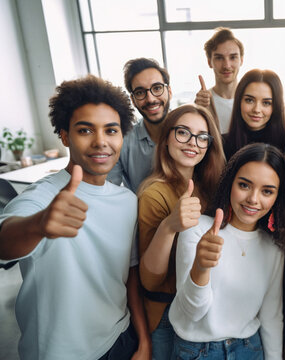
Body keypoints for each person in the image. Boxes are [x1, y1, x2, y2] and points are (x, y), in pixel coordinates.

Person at [0, 75, 151, 360]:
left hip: (120, 340)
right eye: (85, 131)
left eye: (111, 130)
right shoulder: (44, 197)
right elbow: (4, 242)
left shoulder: (128, 201)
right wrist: (39, 224)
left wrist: (143, 340)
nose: (100, 142)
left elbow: (128, 274)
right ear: (65, 135)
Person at [168, 143, 285, 359]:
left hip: (250, 349)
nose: (253, 199)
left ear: (277, 197)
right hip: (198, 351)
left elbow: (271, 317)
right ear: (230, 183)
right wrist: (201, 267)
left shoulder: (273, 247)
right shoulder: (198, 230)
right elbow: (192, 313)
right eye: (244, 185)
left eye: (267, 191)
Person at [137, 104, 225, 359]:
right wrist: (169, 227)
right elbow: (150, 281)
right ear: (166, 139)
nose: (192, 143)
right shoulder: (154, 193)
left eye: (202, 137)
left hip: (204, 305)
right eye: (183, 132)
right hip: (168, 310)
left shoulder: (212, 186)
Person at [108, 58, 173, 193]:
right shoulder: (122, 140)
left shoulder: (190, 133)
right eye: (140, 92)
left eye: (157, 88)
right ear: (133, 100)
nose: (150, 99)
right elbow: (109, 190)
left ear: (169, 91)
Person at [223, 69, 285, 159]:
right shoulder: (221, 144)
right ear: (239, 101)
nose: (256, 110)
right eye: (249, 100)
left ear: (276, 106)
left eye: (266, 103)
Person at [195, 27, 244, 133]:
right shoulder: (203, 102)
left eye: (233, 57)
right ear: (209, 62)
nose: (227, 65)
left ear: (241, 60)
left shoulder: (252, 101)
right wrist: (197, 111)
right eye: (219, 58)